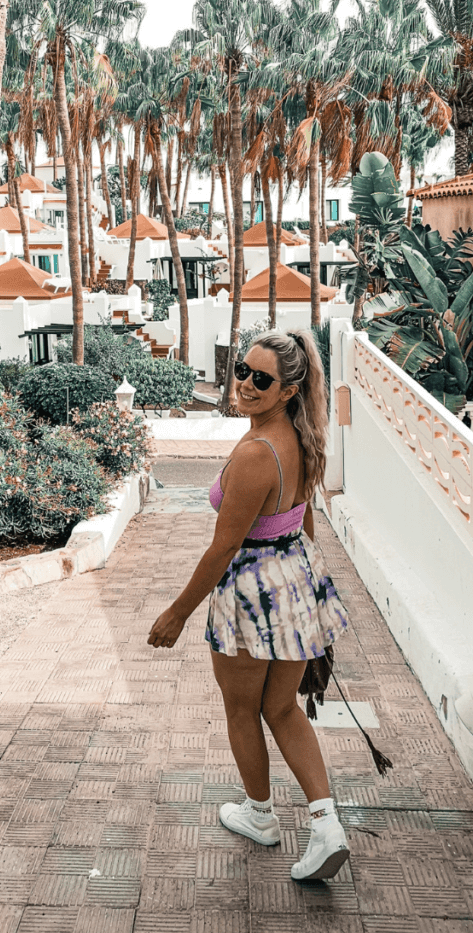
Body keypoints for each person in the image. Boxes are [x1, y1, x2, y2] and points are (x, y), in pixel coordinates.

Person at [148, 329, 351, 881]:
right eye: (242, 369)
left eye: (262, 379)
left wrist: (176, 613)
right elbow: (304, 518)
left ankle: (260, 816)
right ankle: (326, 822)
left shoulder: (256, 454)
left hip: (251, 593)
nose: (245, 384)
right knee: (281, 708)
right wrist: (308, 591)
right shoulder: (305, 438)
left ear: (288, 390)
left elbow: (223, 547)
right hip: (293, 582)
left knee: (243, 710)